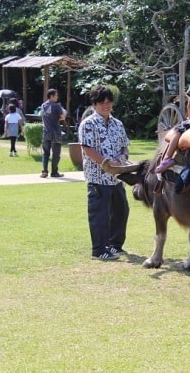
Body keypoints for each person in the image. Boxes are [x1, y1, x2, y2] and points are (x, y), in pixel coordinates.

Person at [78, 85, 130, 261]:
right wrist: (105, 162)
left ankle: (115, 245)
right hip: (98, 177)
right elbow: (86, 149)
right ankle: (99, 250)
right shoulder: (88, 124)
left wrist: (122, 157)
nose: (106, 105)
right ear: (94, 104)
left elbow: (124, 145)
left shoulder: (118, 124)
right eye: (102, 103)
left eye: (109, 102)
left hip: (116, 177)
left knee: (121, 210)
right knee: (99, 214)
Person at [40, 88, 65, 178]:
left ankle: (44, 172)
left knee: (45, 152)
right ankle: (54, 172)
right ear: (51, 96)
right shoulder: (56, 106)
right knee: (56, 153)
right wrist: (57, 118)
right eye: (56, 95)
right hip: (56, 132)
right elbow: (63, 117)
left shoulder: (43, 105)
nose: (57, 97)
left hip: (46, 131)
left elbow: (43, 117)